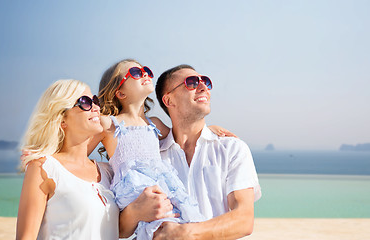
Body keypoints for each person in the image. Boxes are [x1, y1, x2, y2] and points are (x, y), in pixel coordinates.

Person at [88, 59, 230, 239]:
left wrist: (207, 130)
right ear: (120, 92)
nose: (145, 74)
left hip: (163, 185)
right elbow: (78, 151)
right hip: (135, 190)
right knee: (159, 228)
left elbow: (180, 133)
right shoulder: (109, 123)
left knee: (180, 222)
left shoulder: (153, 123)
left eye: (146, 70)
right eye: (137, 73)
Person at [121, 64, 262, 240]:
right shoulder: (151, 157)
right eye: (192, 82)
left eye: (206, 82)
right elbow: (121, 227)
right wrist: (134, 211)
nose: (203, 87)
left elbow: (244, 220)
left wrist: (185, 233)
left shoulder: (232, 149)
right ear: (169, 101)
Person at [16, 79, 120, 239]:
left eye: (95, 100)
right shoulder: (43, 168)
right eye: (85, 102)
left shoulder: (108, 171)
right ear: (62, 119)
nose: (96, 107)